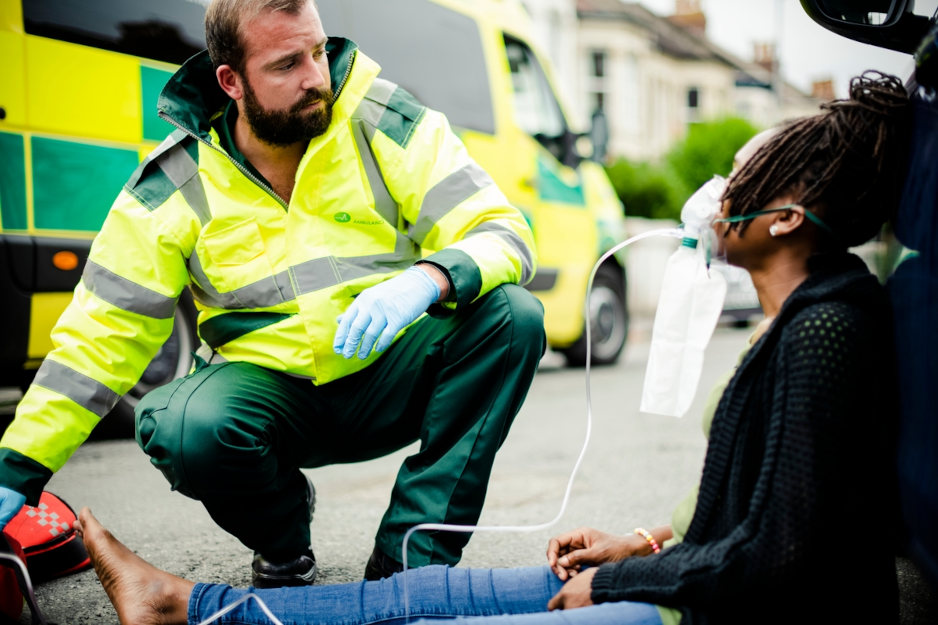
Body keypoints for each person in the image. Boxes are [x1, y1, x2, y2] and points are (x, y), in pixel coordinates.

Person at [73, 70, 909, 624]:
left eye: (740, 176)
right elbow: (756, 513)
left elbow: (781, 556)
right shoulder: (806, 315)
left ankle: (186, 605)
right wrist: (640, 544)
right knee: (425, 595)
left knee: (451, 618)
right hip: (695, 579)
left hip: (723, 609)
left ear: (787, 219)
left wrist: (618, 584)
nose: (717, 192)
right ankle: (185, 602)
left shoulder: (828, 329)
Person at [0, 0, 546, 587]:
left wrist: (428, 278)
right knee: (180, 424)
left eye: (317, 51)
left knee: (512, 317)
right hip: (274, 406)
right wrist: (16, 472)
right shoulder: (174, 184)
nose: (317, 77)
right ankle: (284, 540)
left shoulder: (385, 119)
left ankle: (410, 561)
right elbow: (97, 340)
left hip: (391, 375)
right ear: (231, 81)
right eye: (287, 64)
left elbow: (505, 232)